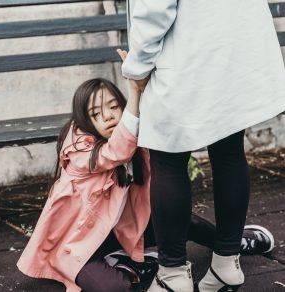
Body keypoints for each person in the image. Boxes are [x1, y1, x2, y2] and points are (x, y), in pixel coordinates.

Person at [16, 50, 275, 292]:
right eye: (96, 113)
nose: (107, 116)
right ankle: (128, 263)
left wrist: (147, 79)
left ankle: (231, 244)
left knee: (182, 220)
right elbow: (116, 152)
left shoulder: (133, 137)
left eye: (113, 107)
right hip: (79, 246)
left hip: (119, 231)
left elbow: (153, 128)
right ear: (85, 122)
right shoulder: (81, 151)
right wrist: (134, 91)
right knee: (114, 288)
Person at [121, 0, 285, 291]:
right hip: (231, 47)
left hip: (187, 51)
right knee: (229, 151)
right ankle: (226, 263)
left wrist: (137, 67)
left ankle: (172, 275)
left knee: (167, 158)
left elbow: (155, 8)